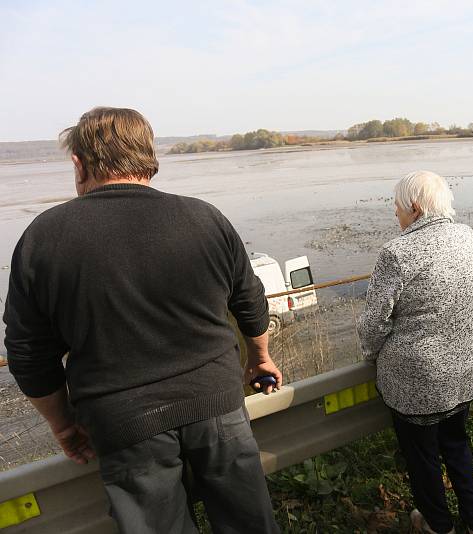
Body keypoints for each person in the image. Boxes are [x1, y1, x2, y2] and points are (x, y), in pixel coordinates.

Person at [3, 107, 282, 533]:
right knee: (249, 524)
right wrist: (259, 357)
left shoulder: (43, 237)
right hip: (218, 403)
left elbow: (28, 355)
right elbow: (251, 301)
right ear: (146, 155)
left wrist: (62, 424)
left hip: (123, 423)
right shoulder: (204, 218)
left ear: (79, 164)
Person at [357, 170, 473, 534]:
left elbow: (372, 326)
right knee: (457, 445)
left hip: (415, 384)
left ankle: (436, 525)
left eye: (397, 207)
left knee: (423, 459)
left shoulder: (396, 253)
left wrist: (371, 356)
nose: (395, 215)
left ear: (414, 208)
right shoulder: (466, 236)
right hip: (462, 373)